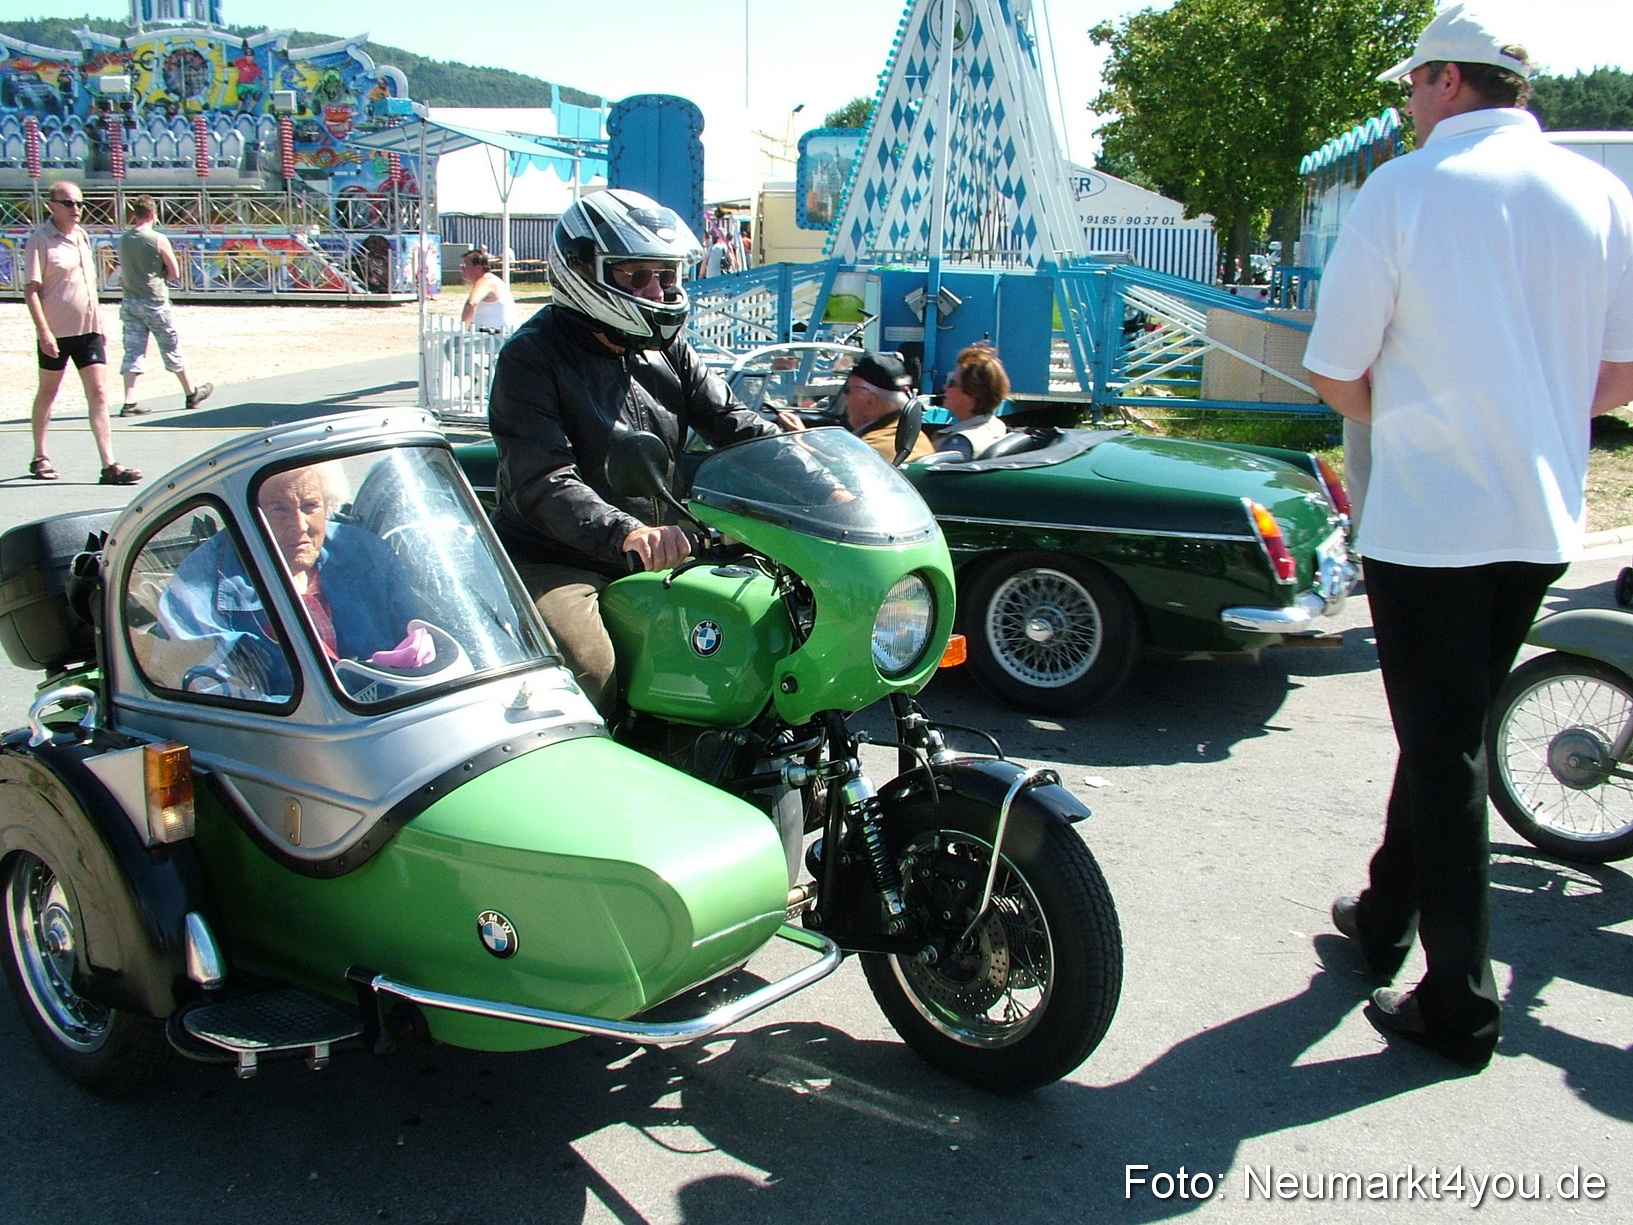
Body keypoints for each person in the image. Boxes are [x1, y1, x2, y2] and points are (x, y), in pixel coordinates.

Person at [1302, 2, 1633, 1070]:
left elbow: (1333, 368)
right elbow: (1620, 373)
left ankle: (1457, 1002)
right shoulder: (1598, 191)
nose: (1407, 100)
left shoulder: (1405, 187)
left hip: (1430, 519)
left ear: (1447, 79)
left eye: (1412, 83)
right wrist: (1530, 417)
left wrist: (1412, 422)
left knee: (1444, 748)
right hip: (1539, 515)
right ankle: (1383, 914)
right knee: (1445, 732)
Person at [487, 188, 790, 715]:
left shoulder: (667, 350)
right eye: (637, 276)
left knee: (767, 618)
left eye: (666, 276)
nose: (657, 290)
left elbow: (733, 422)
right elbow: (543, 479)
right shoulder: (531, 358)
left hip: (664, 544)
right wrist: (626, 532)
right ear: (583, 271)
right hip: (559, 556)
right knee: (589, 666)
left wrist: (820, 475)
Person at [158, 463, 418, 699]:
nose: (299, 525)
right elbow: (216, 696)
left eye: (310, 506)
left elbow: (416, 637)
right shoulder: (199, 584)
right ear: (245, 516)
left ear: (327, 504)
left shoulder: (366, 552)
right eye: (279, 509)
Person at [23, 182, 141, 485]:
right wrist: (43, 332)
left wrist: (100, 324)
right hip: (56, 332)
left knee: (99, 392)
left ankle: (109, 463)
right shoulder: (40, 240)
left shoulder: (82, 236)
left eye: (79, 203)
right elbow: (32, 290)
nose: (76, 209)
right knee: (48, 391)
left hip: (88, 330)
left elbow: (88, 285)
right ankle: (40, 455)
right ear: (52, 205)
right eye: (68, 203)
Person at [117, 194, 212, 417]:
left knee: (133, 351)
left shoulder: (124, 239)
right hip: (154, 301)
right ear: (153, 213)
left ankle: (129, 401)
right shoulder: (157, 239)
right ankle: (190, 392)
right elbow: (174, 272)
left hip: (130, 301)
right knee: (171, 347)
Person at [841, 351, 935, 463]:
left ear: (870, 401)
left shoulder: (866, 449)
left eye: (848, 390)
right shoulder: (918, 438)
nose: (845, 398)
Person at [933, 344, 1011, 459]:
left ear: (973, 392)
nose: (945, 387)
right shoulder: (996, 426)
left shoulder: (958, 444)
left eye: (952, 383)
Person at [458, 246, 519, 333]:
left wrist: (462, 331)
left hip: (497, 336)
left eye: (465, 266)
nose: (462, 269)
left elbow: (471, 303)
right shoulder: (490, 280)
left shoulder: (486, 281)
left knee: (452, 341)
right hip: (491, 334)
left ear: (478, 268)